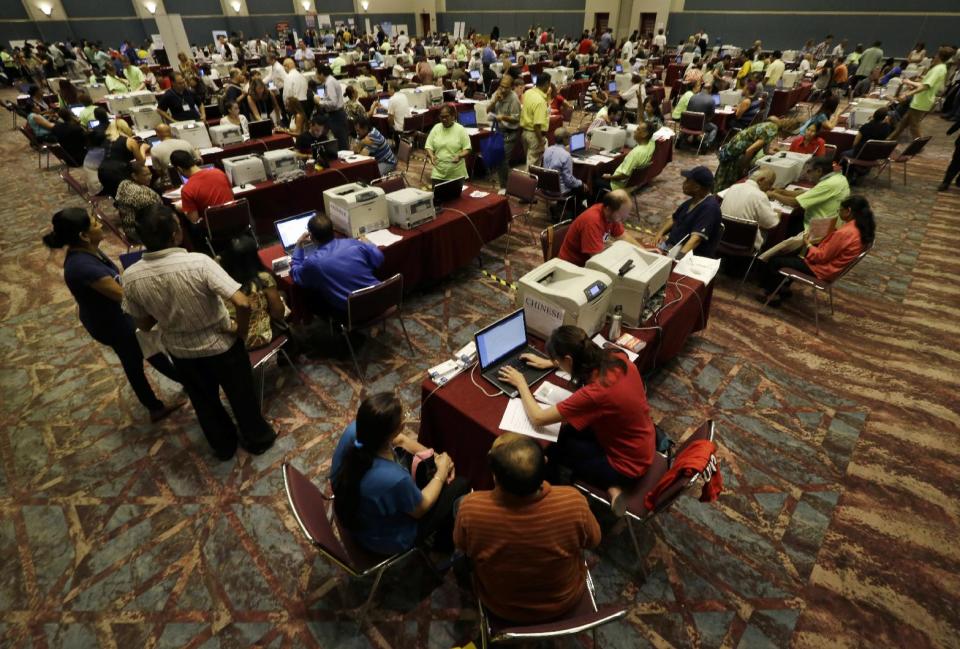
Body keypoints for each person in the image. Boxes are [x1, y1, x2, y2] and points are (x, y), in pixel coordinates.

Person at [122, 205, 277, 460]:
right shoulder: (199, 262)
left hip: (181, 352)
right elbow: (242, 302)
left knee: (205, 403)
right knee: (242, 397)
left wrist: (167, 312)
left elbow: (144, 323)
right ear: (175, 234)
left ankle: (224, 446)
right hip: (222, 345)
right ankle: (258, 439)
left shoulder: (130, 277)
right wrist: (240, 331)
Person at [497, 325, 657, 515]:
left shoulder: (596, 393)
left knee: (556, 446)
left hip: (626, 466)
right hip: (644, 443)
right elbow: (581, 359)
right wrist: (551, 363)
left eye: (559, 360)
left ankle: (555, 500)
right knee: (572, 430)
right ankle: (613, 489)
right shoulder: (616, 356)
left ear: (569, 360)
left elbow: (538, 417)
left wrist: (520, 382)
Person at [42, 208, 183, 422]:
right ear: (83, 235)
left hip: (115, 317)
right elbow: (124, 296)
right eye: (94, 223)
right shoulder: (82, 267)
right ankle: (156, 406)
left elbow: (119, 279)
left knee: (147, 351)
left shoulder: (89, 250)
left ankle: (181, 384)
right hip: (112, 324)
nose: (100, 223)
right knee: (138, 357)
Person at [454, 431, 601, 623]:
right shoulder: (573, 501)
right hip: (564, 601)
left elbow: (462, 546)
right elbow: (594, 540)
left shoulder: (471, 508)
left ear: (495, 477)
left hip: (500, 606)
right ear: (545, 463)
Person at [331, 392, 470, 555]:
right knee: (460, 484)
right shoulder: (394, 478)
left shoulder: (356, 430)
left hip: (356, 515)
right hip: (385, 539)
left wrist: (435, 457)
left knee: (427, 477)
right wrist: (441, 471)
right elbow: (421, 509)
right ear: (398, 428)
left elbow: (401, 440)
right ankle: (442, 547)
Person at [758, 195, 875, 305]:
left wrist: (808, 244)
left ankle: (771, 294)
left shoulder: (845, 233)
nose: (839, 212)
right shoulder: (860, 228)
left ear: (848, 211)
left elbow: (821, 256)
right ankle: (782, 287)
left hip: (821, 269)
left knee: (776, 260)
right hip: (832, 268)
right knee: (793, 255)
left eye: (840, 210)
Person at [291, 212, 383, 315]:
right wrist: (369, 244)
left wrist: (299, 245)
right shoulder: (353, 243)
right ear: (333, 231)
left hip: (353, 311)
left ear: (311, 237)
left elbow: (296, 275)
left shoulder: (313, 262)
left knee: (312, 297)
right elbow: (379, 258)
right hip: (379, 298)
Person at [219, 234, 285, 350]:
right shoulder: (263, 279)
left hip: (230, 341)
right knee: (282, 296)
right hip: (259, 338)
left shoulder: (219, 281)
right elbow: (278, 313)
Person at [714, 117, 800, 192]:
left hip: (733, 149)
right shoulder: (772, 130)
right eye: (789, 135)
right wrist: (744, 166)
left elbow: (765, 149)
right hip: (734, 154)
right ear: (787, 130)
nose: (787, 137)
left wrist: (775, 153)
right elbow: (750, 150)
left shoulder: (772, 125)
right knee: (727, 183)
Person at [557, 190, 640, 266]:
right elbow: (597, 260)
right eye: (621, 215)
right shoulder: (592, 221)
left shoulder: (612, 216)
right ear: (608, 209)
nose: (624, 218)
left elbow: (624, 236)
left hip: (588, 260)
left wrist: (644, 252)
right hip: (572, 266)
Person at [654, 166, 723, 257]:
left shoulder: (710, 208)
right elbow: (674, 218)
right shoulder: (693, 201)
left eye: (687, 181)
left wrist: (676, 258)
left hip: (687, 256)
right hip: (670, 247)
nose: (684, 183)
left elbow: (695, 240)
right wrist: (660, 233)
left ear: (697, 187)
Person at [767, 156, 850, 230]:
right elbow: (808, 194)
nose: (806, 174)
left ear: (819, 171)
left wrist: (773, 194)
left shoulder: (828, 184)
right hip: (829, 222)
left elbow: (795, 203)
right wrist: (782, 191)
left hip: (818, 228)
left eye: (809, 171)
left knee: (785, 225)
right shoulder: (839, 177)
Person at [888, 47, 952, 142]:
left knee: (914, 126)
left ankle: (918, 145)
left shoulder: (938, 69)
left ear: (938, 56)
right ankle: (889, 140)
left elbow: (925, 86)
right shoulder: (941, 68)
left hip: (921, 102)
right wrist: (910, 82)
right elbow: (924, 85)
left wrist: (908, 94)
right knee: (903, 124)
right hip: (920, 101)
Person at [719, 168, 779, 251]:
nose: (770, 188)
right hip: (746, 246)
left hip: (722, 239)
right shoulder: (760, 196)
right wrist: (778, 214)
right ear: (761, 180)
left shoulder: (733, 187)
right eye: (770, 184)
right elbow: (771, 224)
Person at [170, 150, 234, 223]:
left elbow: (194, 220)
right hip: (236, 220)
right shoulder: (219, 172)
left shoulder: (187, 189)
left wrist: (183, 209)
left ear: (179, 169)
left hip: (215, 228)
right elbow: (232, 195)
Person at [601, 120, 656, 190]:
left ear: (644, 134)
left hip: (616, 185)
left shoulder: (635, 153)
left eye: (638, 129)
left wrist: (609, 177)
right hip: (632, 183)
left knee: (594, 179)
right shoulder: (652, 144)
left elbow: (624, 175)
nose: (634, 131)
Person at [115, 161, 161, 243]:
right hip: (140, 232)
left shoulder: (125, 183)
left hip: (137, 226)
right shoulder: (136, 193)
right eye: (145, 175)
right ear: (134, 176)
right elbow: (157, 210)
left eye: (150, 174)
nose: (150, 177)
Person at [425, 104, 471, 185]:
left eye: (447, 116)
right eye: (442, 117)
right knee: (437, 197)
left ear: (453, 116)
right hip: (438, 173)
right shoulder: (436, 128)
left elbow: (467, 149)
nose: (444, 119)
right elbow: (428, 146)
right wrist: (431, 156)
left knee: (456, 197)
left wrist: (459, 156)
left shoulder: (460, 129)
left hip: (456, 174)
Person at [488, 75, 521, 188]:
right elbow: (487, 109)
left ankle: (505, 186)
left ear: (511, 87)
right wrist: (495, 101)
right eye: (501, 86)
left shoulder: (514, 99)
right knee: (497, 158)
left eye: (506, 87)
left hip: (510, 133)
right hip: (498, 131)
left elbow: (516, 118)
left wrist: (503, 117)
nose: (503, 89)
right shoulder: (497, 93)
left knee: (502, 159)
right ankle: (504, 181)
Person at [542, 128, 586, 211]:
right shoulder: (566, 156)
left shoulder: (547, 150)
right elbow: (569, 181)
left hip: (545, 188)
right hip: (559, 191)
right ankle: (574, 213)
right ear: (565, 139)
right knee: (581, 187)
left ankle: (560, 208)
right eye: (569, 137)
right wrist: (581, 183)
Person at [314, 64, 350, 149]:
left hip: (336, 115)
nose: (317, 77)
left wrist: (320, 102)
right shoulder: (331, 80)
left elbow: (333, 102)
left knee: (341, 141)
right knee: (342, 139)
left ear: (322, 74)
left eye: (317, 74)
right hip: (337, 114)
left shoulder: (329, 83)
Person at [520, 72, 551, 170]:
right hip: (535, 136)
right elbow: (537, 125)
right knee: (532, 166)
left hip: (525, 133)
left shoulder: (528, 92)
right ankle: (528, 184)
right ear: (546, 84)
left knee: (530, 160)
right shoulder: (540, 101)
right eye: (549, 84)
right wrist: (541, 141)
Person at [684, 83, 718, 149]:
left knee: (699, 121)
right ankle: (707, 144)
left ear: (702, 88)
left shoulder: (693, 96)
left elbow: (688, 109)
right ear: (710, 90)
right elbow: (711, 116)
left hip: (688, 123)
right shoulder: (711, 100)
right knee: (714, 128)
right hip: (700, 126)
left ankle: (693, 139)